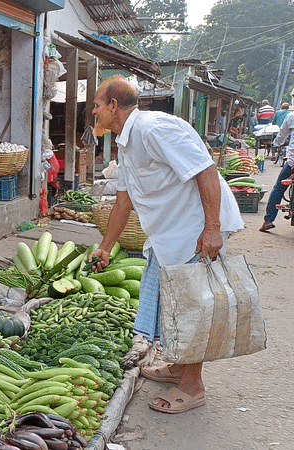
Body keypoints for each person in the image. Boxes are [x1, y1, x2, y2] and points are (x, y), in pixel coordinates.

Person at [88, 75, 243, 414]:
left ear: (113, 106)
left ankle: (193, 386)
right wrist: (105, 246)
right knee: (170, 306)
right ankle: (177, 369)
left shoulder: (154, 128)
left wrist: (212, 228)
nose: (94, 112)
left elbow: (206, 170)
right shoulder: (126, 143)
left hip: (194, 228)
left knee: (189, 308)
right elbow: (122, 203)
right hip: (169, 233)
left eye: (97, 105)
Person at [259, 110, 294, 232]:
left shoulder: (291, 116)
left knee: (279, 188)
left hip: (292, 163)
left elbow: (281, 136)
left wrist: (277, 143)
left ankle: (268, 221)